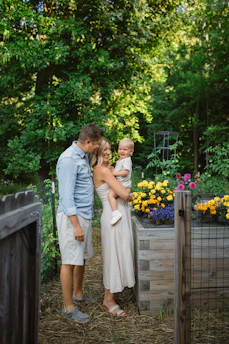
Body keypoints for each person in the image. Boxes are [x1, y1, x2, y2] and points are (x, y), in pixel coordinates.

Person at [56, 124, 104, 323]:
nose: (98, 148)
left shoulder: (83, 156)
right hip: (71, 219)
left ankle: (77, 294)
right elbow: (66, 197)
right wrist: (75, 225)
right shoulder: (68, 160)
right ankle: (68, 307)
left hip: (84, 215)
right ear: (87, 142)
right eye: (97, 145)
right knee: (69, 260)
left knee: (81, 258)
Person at [91, 139, 135, 317]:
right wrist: (129, 194)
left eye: (110, 149)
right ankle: (108, 300)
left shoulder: (107, 170)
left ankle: (110, 296)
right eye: (105, 149)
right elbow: (125, 194)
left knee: (117, 253)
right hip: (113, 216)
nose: (109, 152)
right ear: (97, 152)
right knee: (113, 255)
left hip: (116, 213)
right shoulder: (103, 171)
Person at [108, 138, 134, 225]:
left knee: (110, 195)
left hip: (123, 185)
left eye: (125, 149)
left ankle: (115, 213)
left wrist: (115, 173)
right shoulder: (122, 160)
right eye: (120, 149)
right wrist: (114, 170)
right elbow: (120, 170)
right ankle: (129, 196)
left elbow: (126, 172)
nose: (122, 151)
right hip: (123, 185)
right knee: (122, 198)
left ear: (131, 152)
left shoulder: (127, 160)